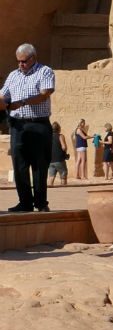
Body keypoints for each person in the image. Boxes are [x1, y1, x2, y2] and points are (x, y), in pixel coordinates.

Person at [1, 43, 57, 212]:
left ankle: (41, 203)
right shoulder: (13, 75)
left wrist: (23, 102)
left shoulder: (44, 71)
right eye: (18, 61)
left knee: (39, 165)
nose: (21, 64)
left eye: (24, 61)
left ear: (33, 58)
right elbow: (3, 95)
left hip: (38, 123)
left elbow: (45, 93)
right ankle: (24, 202)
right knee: (19, 165)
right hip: (18, 125)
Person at [47, 122, 68, 187]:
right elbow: (64, 147)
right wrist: (65, 153)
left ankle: (50, 191)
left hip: (50, 160)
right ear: (59, 128)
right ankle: (63, 191)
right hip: (59, 159)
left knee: (51, 177)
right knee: (63, 175)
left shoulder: (48, 137)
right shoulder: (60, 136)